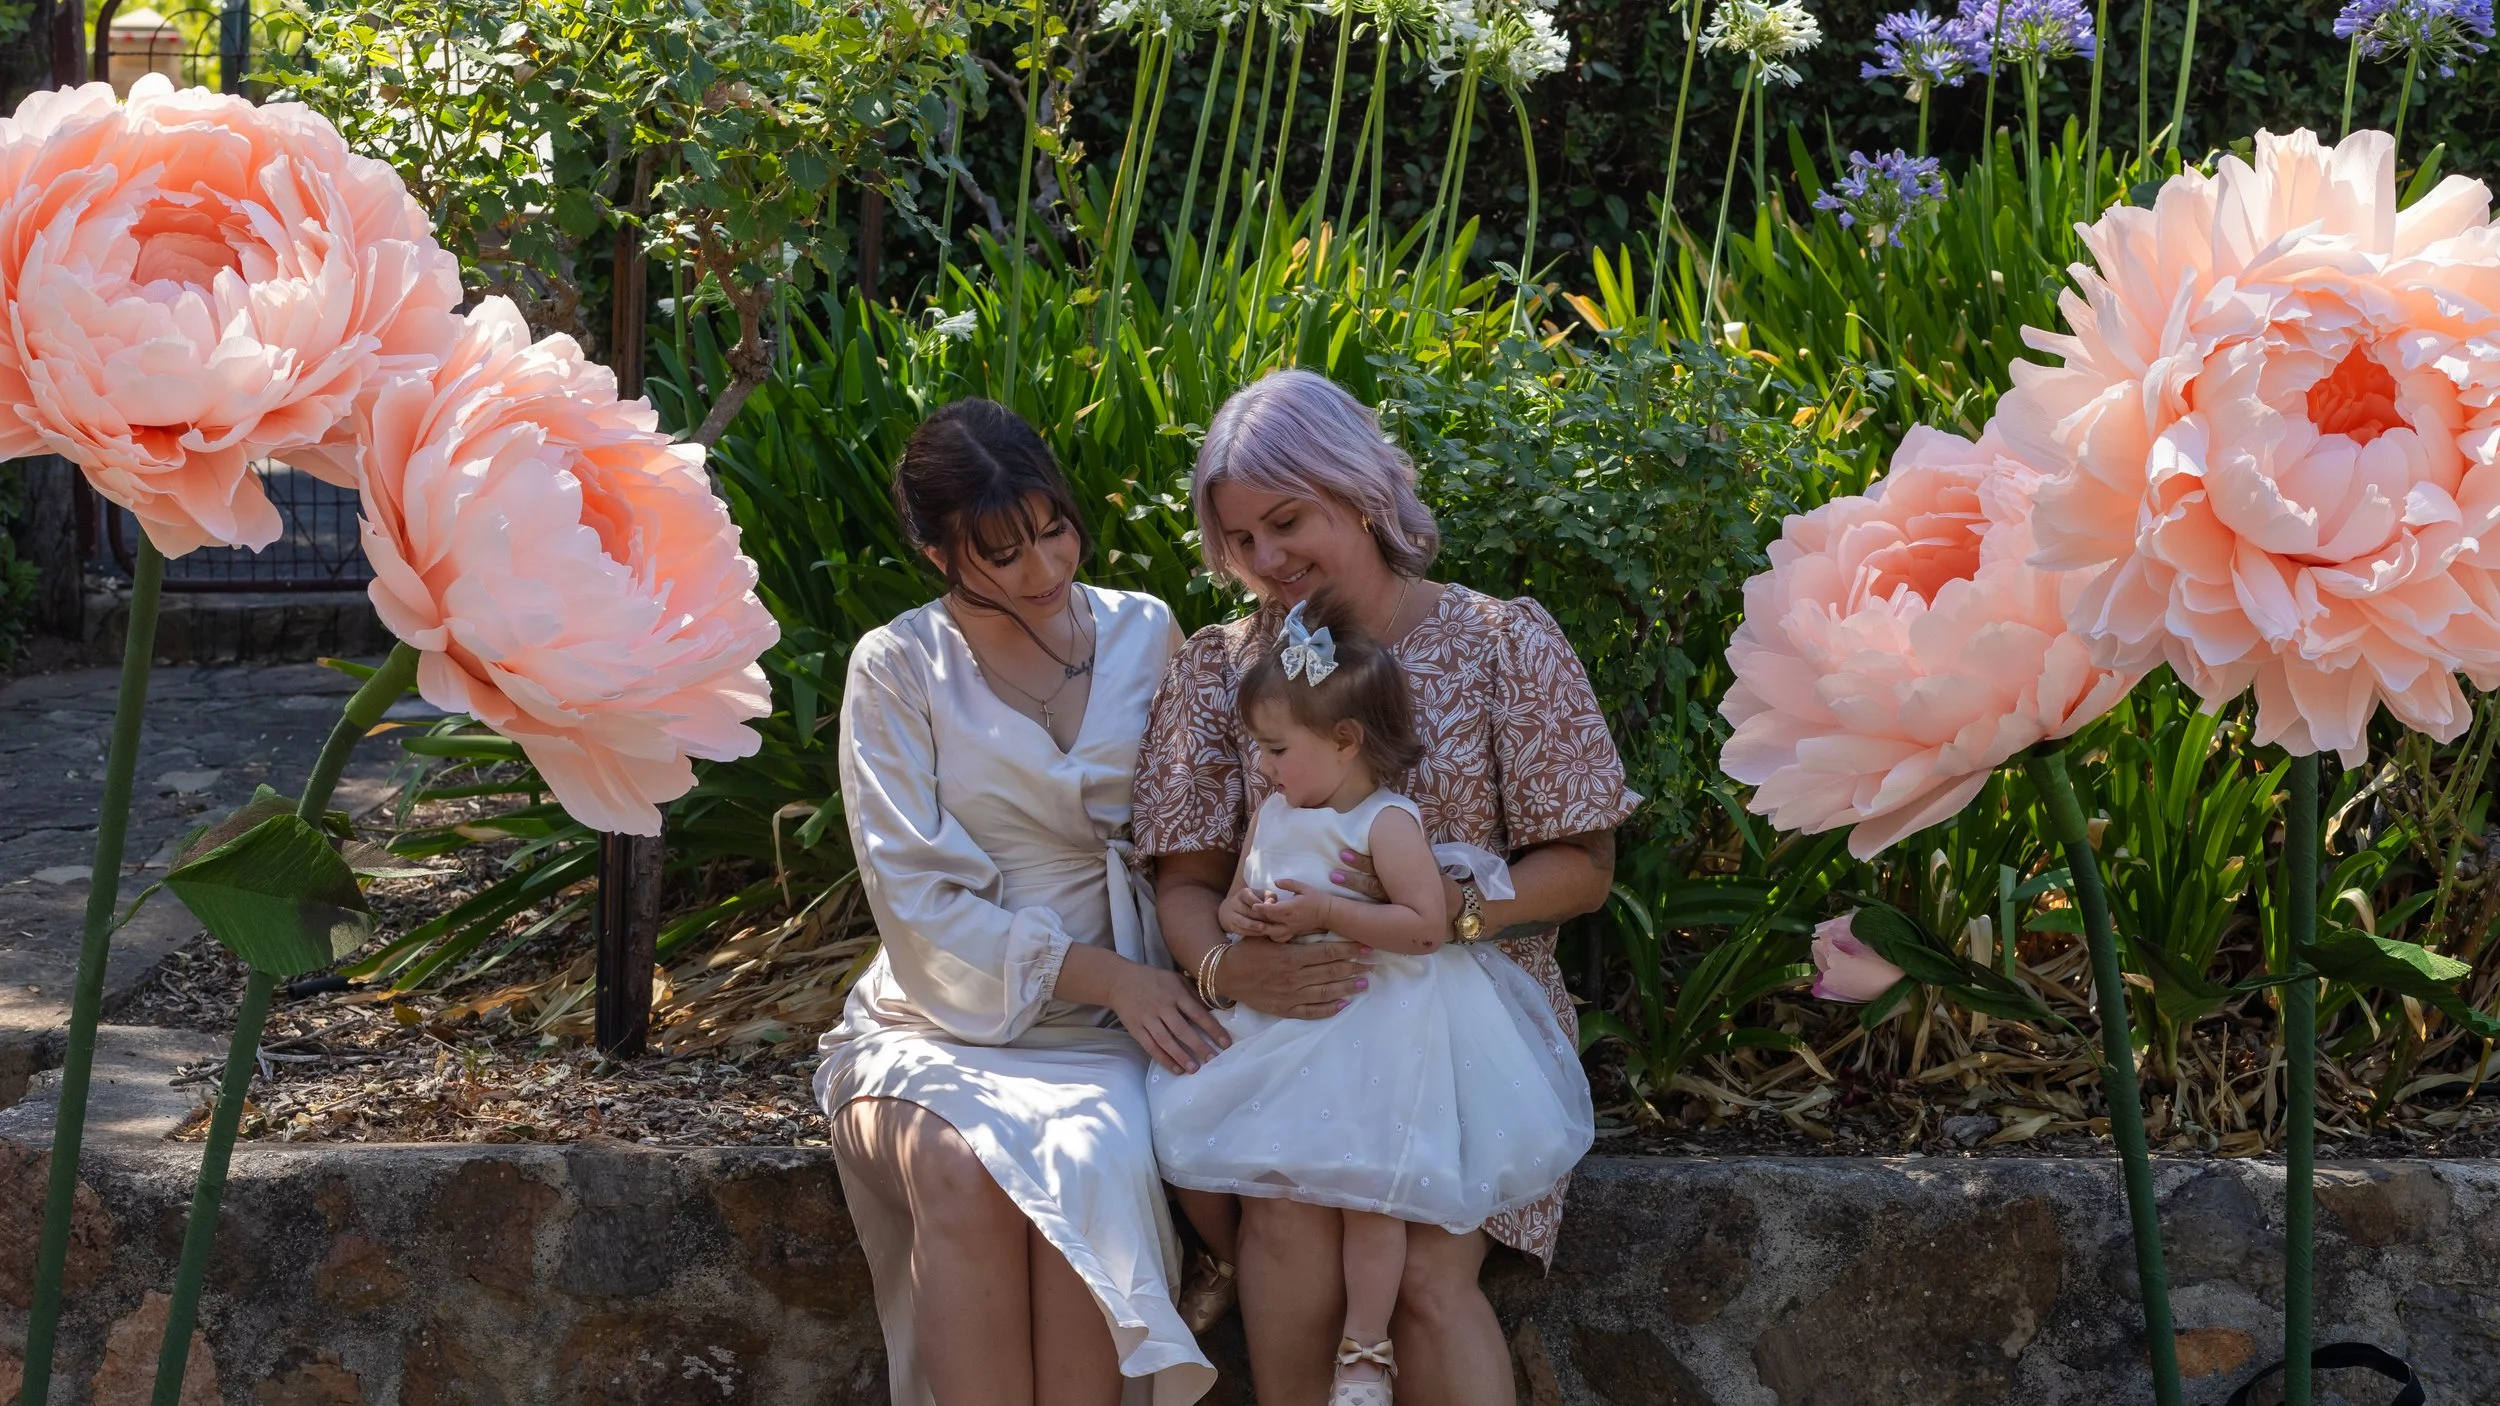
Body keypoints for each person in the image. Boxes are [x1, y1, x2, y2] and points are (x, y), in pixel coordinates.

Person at [1135, 368, 1636, 1406]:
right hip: (1294, 1024)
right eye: (1240, 541)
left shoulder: (1502, 642)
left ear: (1358, 490)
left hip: (1464, 1022)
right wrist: (1230, 967)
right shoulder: (1218, 669)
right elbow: (1184, 877)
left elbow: (1583, 868)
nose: (1266, 560)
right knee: (1285, 1228)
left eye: (1287, 521)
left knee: (1417, 1274)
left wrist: (1432, 918)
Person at [818, 398, 1223, 1406]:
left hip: (1112, 1027)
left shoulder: (1146, 631)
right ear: (934, 553)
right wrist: (1111, 979)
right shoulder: (898, 664)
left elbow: (1200, 832)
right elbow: (912, 897)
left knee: (1083, 1164)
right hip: (940, 1013)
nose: (1042, 570)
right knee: (958, 1165)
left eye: (1054, 531)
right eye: (1001, 553)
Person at [1149, 596, 1594, 1404]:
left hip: (1402, 1030)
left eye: (1278, 749)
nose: (1267, 767)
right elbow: (1227, 891)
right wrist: (1238, 917)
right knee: (1284, 1216)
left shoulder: (1390, 821)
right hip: (1297, 1035)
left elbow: (1428, 926)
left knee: (1389, 1197)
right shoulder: (1280, 809)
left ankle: (1367, 1348)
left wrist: (1324, 913)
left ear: (1346, 740)